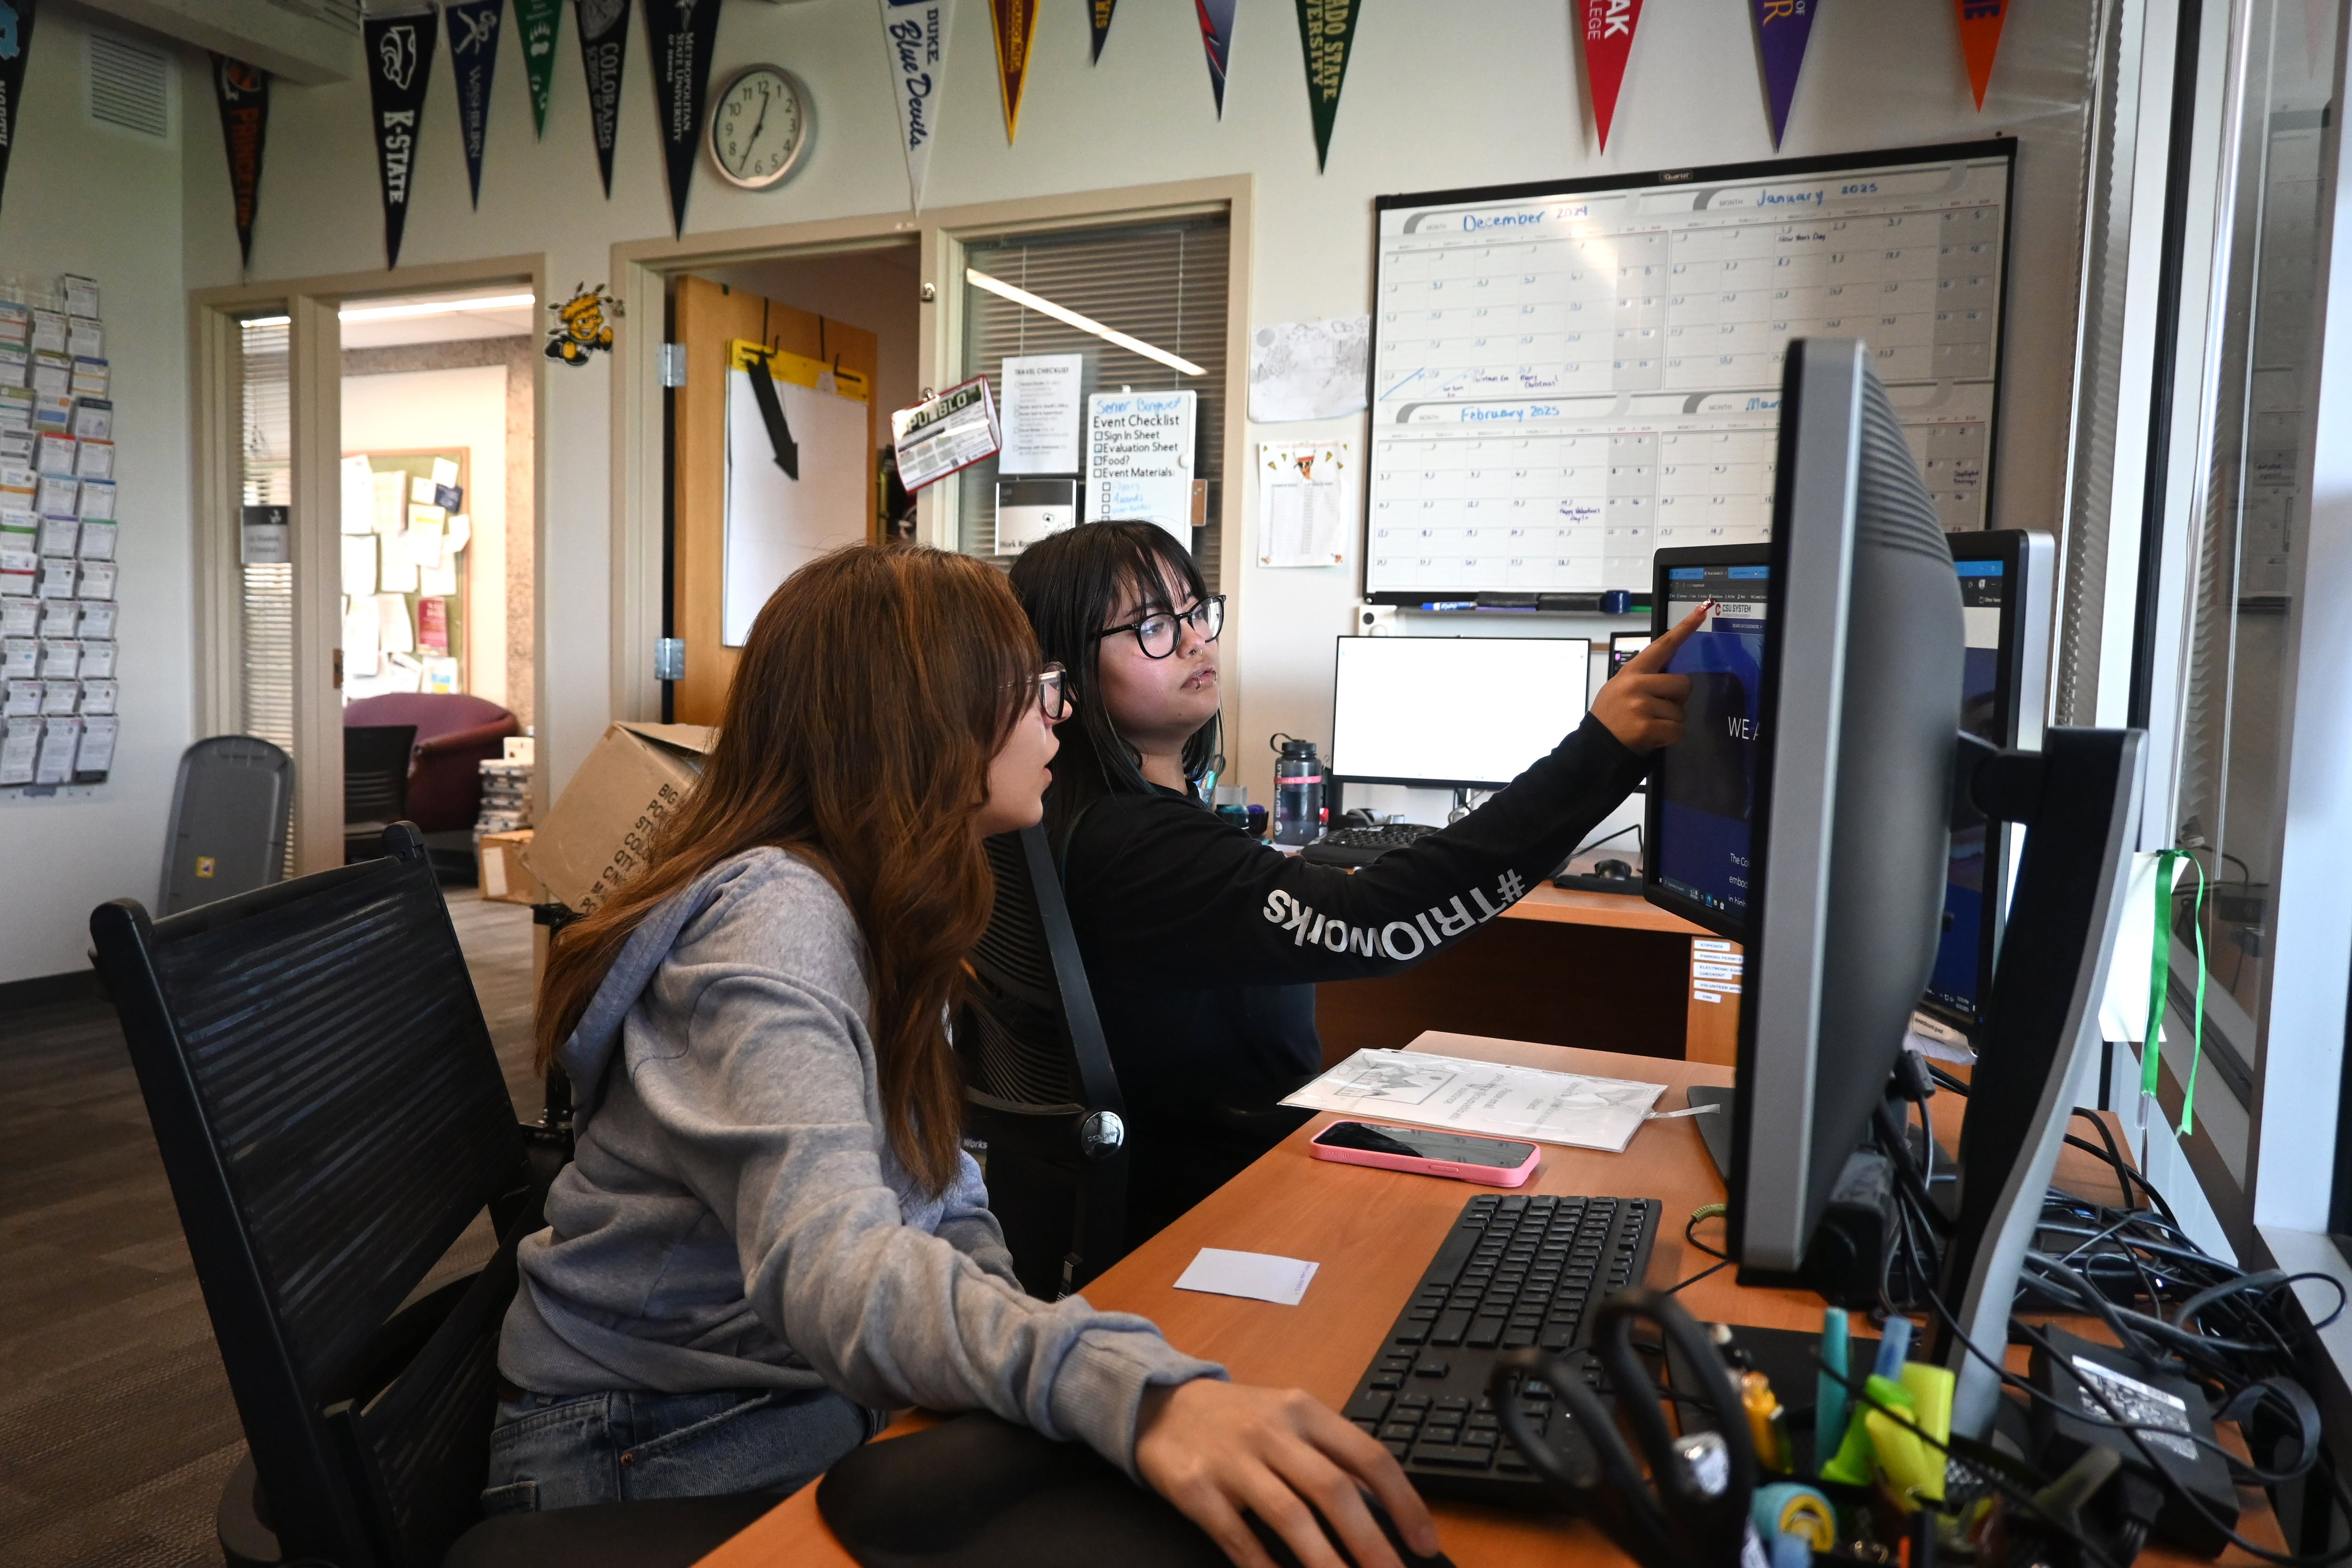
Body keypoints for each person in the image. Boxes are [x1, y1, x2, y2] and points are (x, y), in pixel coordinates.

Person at [491, 544, 1439, 1568]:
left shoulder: (894, 897)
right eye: (1032, 689)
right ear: (925, 717)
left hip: (797, 1395)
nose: (1058, 715)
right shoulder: (776, 921)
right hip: (662, 1440)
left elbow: (941, 1200)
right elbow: (837, 1273)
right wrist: (1132, 1392)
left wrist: (1049, 1359)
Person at [1007, 522, 1700, 1245]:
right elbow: (1381, 918)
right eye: (1150, 625)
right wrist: (1602, 754)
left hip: (1200, 1175)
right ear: (1068, 673)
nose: (1192, 640)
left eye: (1193, 611)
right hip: (1206, 1210)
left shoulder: (1078, 815)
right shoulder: (1134, 847)